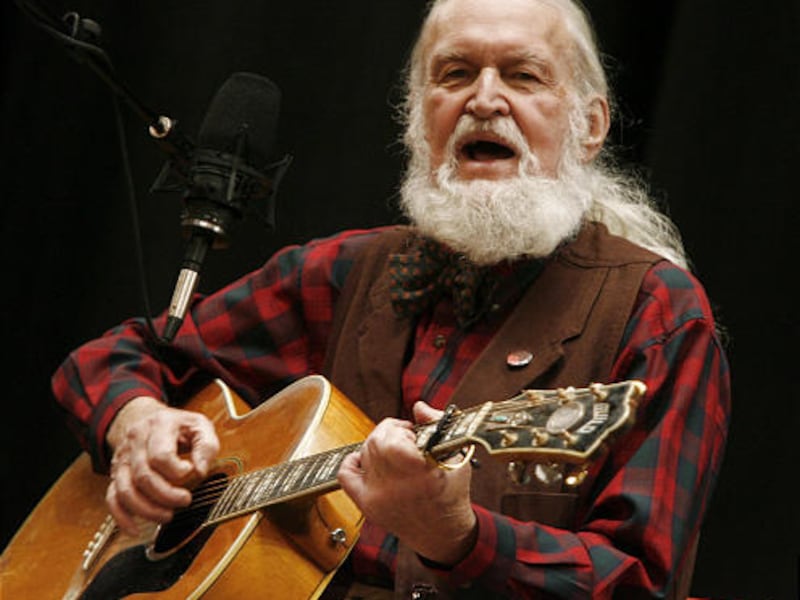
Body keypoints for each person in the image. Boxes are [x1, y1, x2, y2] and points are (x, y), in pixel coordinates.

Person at [52, 0, 730, 598]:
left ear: (589, 127)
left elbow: (638, 582)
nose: (484, 100)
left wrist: (458, 537)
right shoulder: (346, 270)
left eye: (523, 76)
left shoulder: (658, 313)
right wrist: (137, 424)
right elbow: (117, 354)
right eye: (455, 73)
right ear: (418, 119)